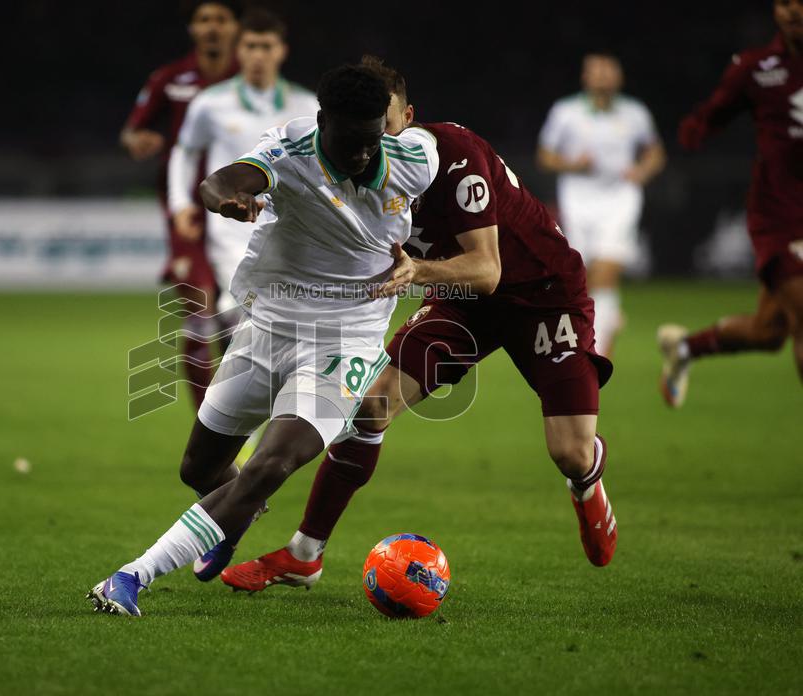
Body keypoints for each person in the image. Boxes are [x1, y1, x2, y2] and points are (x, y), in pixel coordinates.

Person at [221, 56, 617, 595]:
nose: (369, 141)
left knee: (569, 450)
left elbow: (486, 269)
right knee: (371, 405)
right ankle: (304, 554)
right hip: (460, 303)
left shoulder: (453, 157)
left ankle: (587, 478)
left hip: (543, 296)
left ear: (407, 116)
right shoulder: (353, 165)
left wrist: (417, 272)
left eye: (382, 126)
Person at [88, 63, 439, 616]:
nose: (364, 155)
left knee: (271, 465)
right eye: (351, 140)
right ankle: (237, 511)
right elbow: (220, 182)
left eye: (374, 140)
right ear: (324, 123)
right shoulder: (291, 148)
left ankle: (131, 576)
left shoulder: (414, 159)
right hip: (268, 328)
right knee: (201, 472)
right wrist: (229, 201)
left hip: (347, 338)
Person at [659, 0, 803, 406]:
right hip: (781, 217)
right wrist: (689, 137)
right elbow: (707, 118)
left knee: (769, 332)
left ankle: (684, 348)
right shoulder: (756, 68)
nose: (793, 11)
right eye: (784, 3)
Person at [121, 0, 240, 408]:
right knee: (199, 306)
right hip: (187, 213)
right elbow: (133, 131)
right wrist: (138, 141)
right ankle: (207, 429)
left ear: (235, 28)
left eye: (220, 20)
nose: (212, 27)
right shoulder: (170, 79)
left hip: (241, 213)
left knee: (235, 319)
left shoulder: (251, 83)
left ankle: (232, 423)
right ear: (192, 28)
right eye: (204, 19)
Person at [169, 8, 318, 330]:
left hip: (288, 225)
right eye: (250, 46)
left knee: (266, 310)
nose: (258, 55)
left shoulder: (307, 107)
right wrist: (180, 205)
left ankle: (235, 342)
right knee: (248, 305)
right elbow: (184, 152)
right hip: (231, 226)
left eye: (266, 46)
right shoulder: (210, 103)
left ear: (281, 51)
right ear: (239, 50)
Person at [537, 52, 666, 357]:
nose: (603, 76)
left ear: (619, 77)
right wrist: (572, 164)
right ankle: (607, 319)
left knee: (606, 273)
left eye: (609, 70)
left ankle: (598, 350)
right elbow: (545, 157)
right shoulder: (565, 111)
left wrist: (642, 171)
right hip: (578, 199)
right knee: (582, 277)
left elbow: (655, 153)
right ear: (585, 77)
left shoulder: (635, 113)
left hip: (620, 198)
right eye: (597, 71)